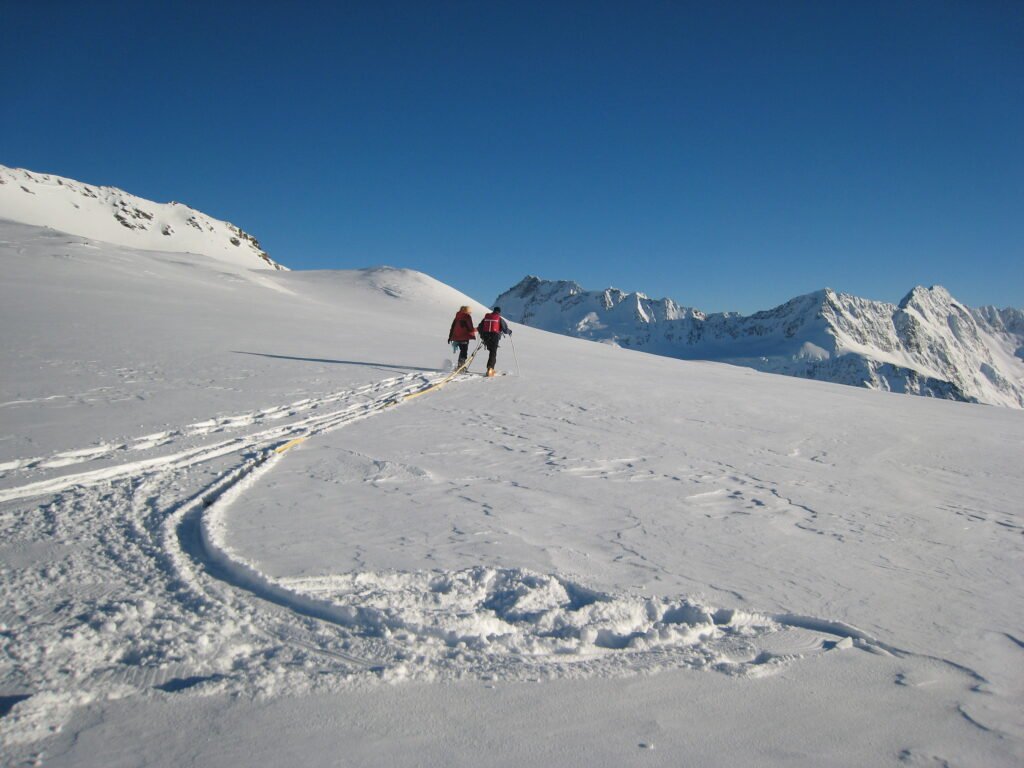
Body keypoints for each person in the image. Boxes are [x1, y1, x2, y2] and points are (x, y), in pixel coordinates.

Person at [477, 306, 511, 377]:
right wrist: (510, 332)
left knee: (491, 351)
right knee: (493, 352)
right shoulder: (499, 318)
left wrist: (482, 335)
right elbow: (505, 329)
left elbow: (480, 327)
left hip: (486, 337)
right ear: (499, 312)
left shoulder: (486, 317)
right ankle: (490, 368)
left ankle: (490, 368)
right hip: (494, 337)